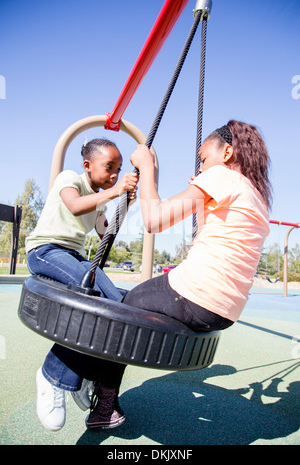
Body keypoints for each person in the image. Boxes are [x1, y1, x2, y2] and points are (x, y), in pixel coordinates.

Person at [83, 119, 272, 429]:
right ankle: (103, 394)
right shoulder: (257, 196)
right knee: (140, 301)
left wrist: (148, 169)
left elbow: (154, 220)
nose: (202, 166)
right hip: (224, 311)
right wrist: (202, 198)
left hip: (195, 292)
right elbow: (214, 238)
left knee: (120, 309)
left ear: (226, 152)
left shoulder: (221, 177)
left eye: (203, 158)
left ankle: (104, 405)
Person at [26, 138, 138, 431]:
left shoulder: (99, 198)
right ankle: (51, 376)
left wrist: (124, 203)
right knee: (97, 304)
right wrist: (116, 191)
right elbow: (74, 206)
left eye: (118, 169)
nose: (114, 174)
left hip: (73, 257)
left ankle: (84, 376)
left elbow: (106, 233)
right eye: (109, 167)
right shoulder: (70, 179)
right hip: (47, 251)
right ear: (87, 165)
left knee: (117, 306)